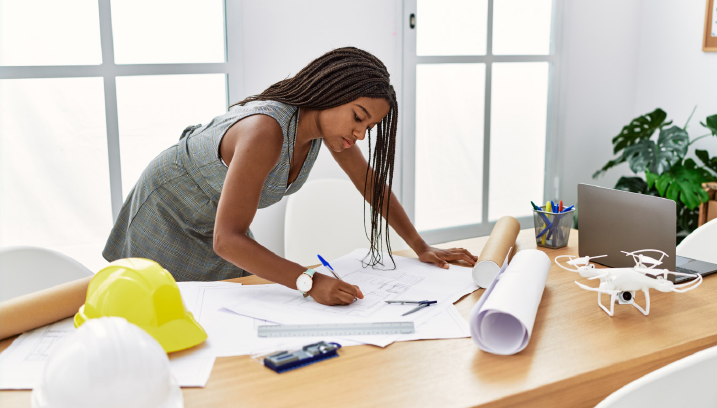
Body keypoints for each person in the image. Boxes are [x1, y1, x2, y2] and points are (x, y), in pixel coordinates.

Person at [104, 47, 477, 306]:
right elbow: (227, 240)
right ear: (333, 93)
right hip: (168, 213)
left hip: (214, 224)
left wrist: (419, 245)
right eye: (358, 116)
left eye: (370, 126)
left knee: (232, 311)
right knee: (159, 313)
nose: (361, 133)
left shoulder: (324, 132)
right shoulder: (267, 131)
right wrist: (309, 282)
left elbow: (371, 184)